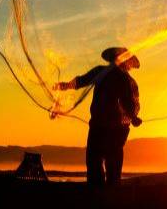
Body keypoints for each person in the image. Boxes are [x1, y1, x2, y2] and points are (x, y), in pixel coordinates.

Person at [54, 47, 142, 186]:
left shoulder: (123, 79)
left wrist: (133, 117)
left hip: (114, 129)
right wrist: (65, 86)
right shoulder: (101, 72)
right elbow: (82, 81)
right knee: (95, 161)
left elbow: (128, 102)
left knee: (109, 164)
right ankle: (100, 194)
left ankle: (108, 195)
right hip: (98, 126)